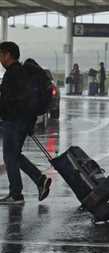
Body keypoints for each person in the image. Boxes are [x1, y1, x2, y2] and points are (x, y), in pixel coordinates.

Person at [0, 41, 52, 205]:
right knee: (15, 155)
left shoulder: (12, 74)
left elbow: (9, 101)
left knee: (10, 156)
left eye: (0, 55)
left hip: (14, 121)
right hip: (25, 120)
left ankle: (16, 194)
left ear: (7, 55)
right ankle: (39, 179)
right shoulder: (22, 72)